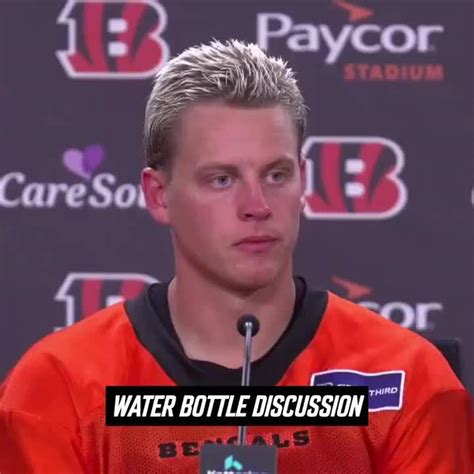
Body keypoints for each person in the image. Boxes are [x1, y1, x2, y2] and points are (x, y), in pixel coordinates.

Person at [0, 39, 472, 473]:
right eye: (221, 179)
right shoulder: (57, 388)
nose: (257, 206)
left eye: (276, 175)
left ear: (303, 181)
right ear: (159, 195)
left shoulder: (407, 378)